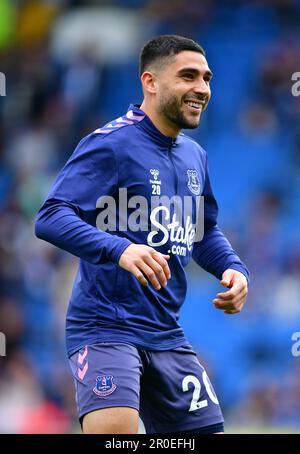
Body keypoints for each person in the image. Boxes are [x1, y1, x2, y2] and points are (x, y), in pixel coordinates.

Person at [35, 35, 249, 434]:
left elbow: (202, 229)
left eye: (206, 78)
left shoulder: (194, 155)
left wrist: (233, 268)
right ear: (150, 82)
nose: (202, 89)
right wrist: (119, 249)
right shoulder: (111, 144)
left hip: (167, 333)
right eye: (188, 76)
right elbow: (50, 216)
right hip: (106, 328)